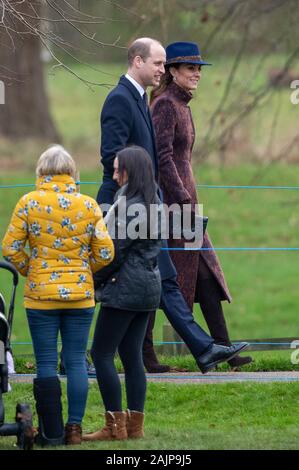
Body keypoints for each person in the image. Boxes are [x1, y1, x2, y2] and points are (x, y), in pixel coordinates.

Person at [97, 37, 248, 375]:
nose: (162, 70)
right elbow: (114, 156)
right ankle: (85, 355)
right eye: (158, 64)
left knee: (165, 278)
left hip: (154, 205)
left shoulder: (143, 100)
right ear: (137, 61)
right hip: (134, 207)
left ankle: (207, 348)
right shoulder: (127, 100)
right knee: (111, 279)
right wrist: (169, 198)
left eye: (165, 64)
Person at [2, 145, 114, 446]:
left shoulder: (28, 203)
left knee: (46, 363)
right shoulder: (89, 205)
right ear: (72, 173)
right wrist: (83, 270)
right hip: (81, 297)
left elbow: (10, 249)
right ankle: (74, 430)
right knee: (77, 360)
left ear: (41, 172)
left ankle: (51, 431)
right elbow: (105, 252)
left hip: (41, 298)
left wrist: (32, 269)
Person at [151, 42, 252, 368]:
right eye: (190, 68)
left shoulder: (182, 105)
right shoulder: (165, 105)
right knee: (164, 280)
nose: (197, 73)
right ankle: (145, 355)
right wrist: (180, 197)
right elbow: (162, 156)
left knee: (205, 272)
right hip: (173, 207)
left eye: (199, 68)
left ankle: (224, 348)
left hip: (186, 205)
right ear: (172, 71)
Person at [83, 146, 163, 441]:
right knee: (132, 356)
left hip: (125, 289)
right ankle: (135, 427)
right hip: (147, 290)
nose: (114, 176)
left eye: (118, 170)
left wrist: (91, 279)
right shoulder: (153, 199)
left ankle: (113, 426)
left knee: (101, 353)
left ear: (131, 170)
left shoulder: (130, 206)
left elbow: (111, 253)